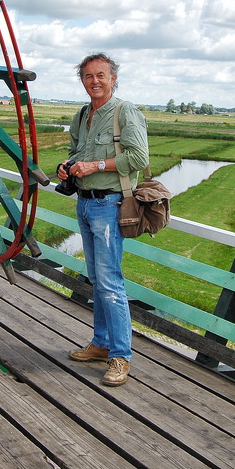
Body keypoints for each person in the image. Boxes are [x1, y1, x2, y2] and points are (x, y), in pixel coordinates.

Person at [58, 53, 149, 386]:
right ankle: (100, 344)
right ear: (82, 81)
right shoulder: (82, 115)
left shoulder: (126, 113)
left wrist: (95, 167)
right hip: (84, 203)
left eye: (101, 75)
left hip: (109, 206)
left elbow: (139, 157)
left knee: (111, 283)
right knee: (97, 279)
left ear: (113, 79)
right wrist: (67, 167)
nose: (94, 81)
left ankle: (120, 356)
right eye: (87, 76)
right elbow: (76, 153)